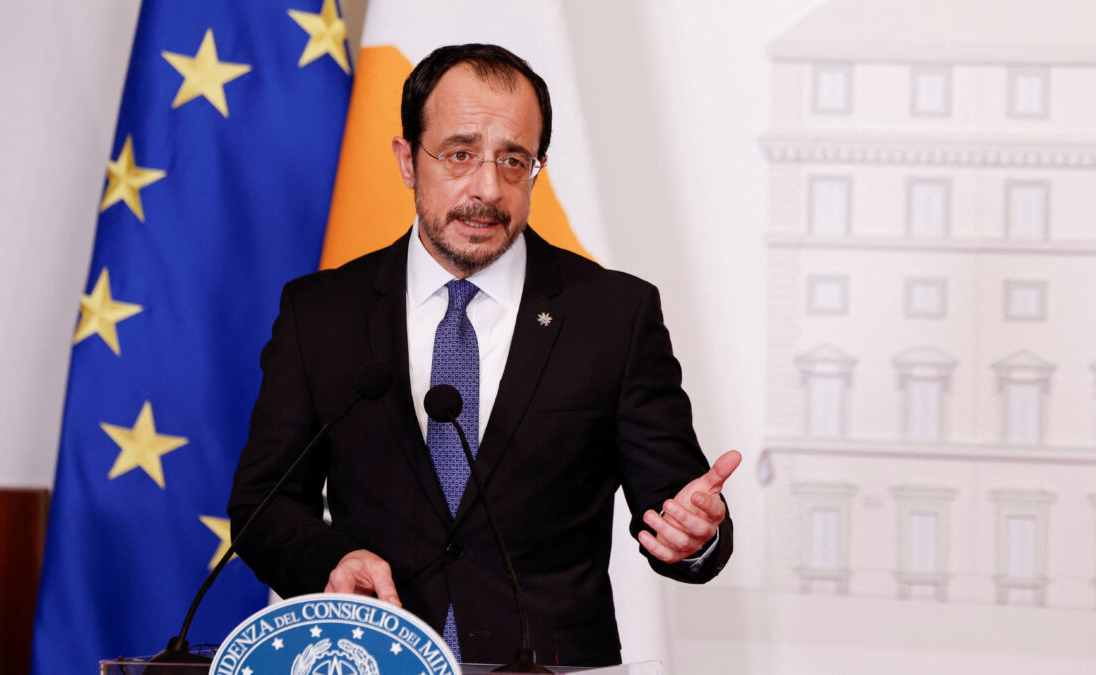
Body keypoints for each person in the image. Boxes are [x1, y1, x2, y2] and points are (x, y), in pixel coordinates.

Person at [228, 43, 740, 667]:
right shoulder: (322, 311)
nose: (487, 189)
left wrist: (694, 536)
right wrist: (331, 561)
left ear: (536, 169)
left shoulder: (613, 315)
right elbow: (265, 502)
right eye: (460, 154)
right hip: (371, 656)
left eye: (513, 160)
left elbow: (674, 503)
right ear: (408, 160)